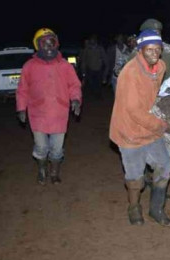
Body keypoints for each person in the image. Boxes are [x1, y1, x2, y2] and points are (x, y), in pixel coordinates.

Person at [109, 29, 170, 227]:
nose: (154, 54)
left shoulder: (161, 66)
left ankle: (156, 210)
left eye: (158, 49)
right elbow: (134, 111)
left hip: (149, 129)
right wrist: (163, 124)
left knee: (165, 167)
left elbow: (153, 95)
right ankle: (134, 207)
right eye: (149, 50)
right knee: (135, 178)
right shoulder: (130, 73)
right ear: (140, 50)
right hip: (129, 132)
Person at [16, 28, 82, 185]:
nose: (49, 47)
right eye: (44, 44)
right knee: (41, 147)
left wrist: (76, 100)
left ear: (57, 44)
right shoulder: (29, 66)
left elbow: (74, 85)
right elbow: (22, 89)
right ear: (37, 46)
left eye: (52, 43)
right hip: (37, 113)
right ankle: (41, 170)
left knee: (57, 149)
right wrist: (21, 108)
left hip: (59, 113)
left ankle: (54, 172)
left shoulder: (65, 65)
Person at [79, 34, 107, 98]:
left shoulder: (100, 48)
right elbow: (84, 61)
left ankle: (98, 95)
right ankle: (94, 95)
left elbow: (105, 58)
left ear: (96, 40)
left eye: (94, 40)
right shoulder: (87, 49)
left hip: (99, 69)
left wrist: (106, 69)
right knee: (91, 84)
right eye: (91, 40)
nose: (92, 41)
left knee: (99, 83)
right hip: (90, 70)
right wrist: (83, 72)